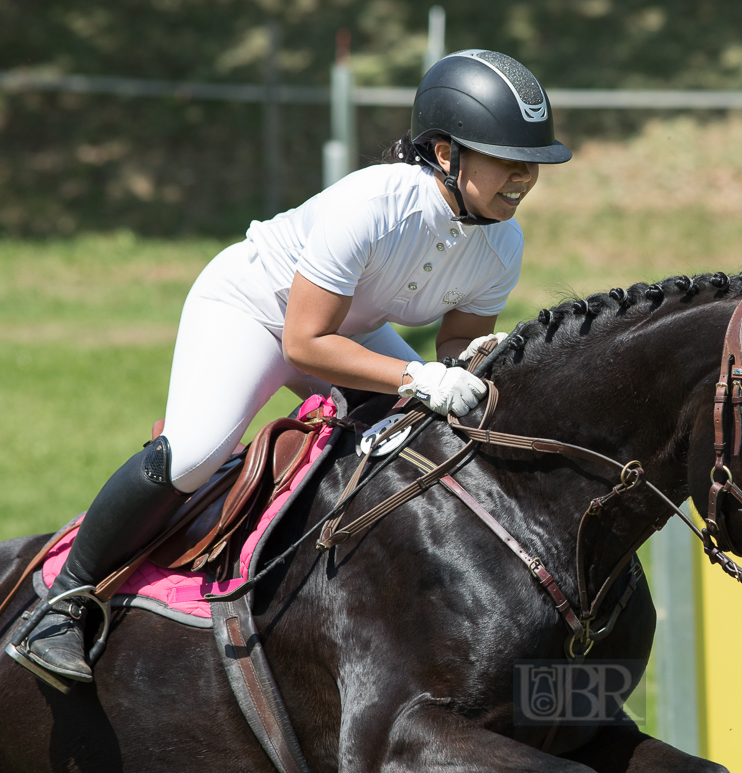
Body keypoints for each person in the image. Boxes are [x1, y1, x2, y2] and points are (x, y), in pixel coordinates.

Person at [11, 49, 571, 687]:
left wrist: (465, 367)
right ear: (445, 154)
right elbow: (304, 343)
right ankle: (63, 602)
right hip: (253, 308)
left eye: (534, 163)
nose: (524, 177)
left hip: (344, 332)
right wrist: (418, 379)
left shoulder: (503, 241)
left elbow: (456, 348)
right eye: (508, 159)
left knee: (434, 436)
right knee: (196, 452)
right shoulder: (374, 201)